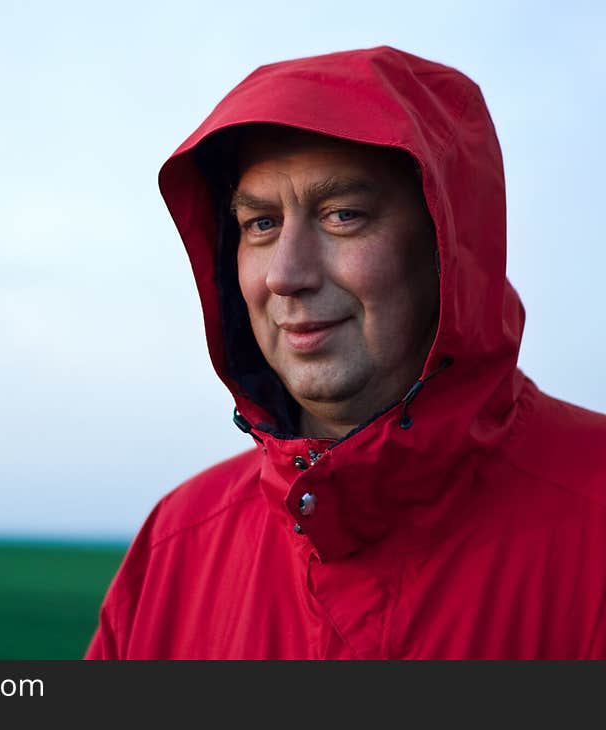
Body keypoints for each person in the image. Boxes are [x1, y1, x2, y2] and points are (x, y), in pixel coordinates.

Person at [84, 46, 606, 659]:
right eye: (260, 224)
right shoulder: (176, 544)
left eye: (343, 216)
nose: (286, 274)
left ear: (450, 245)